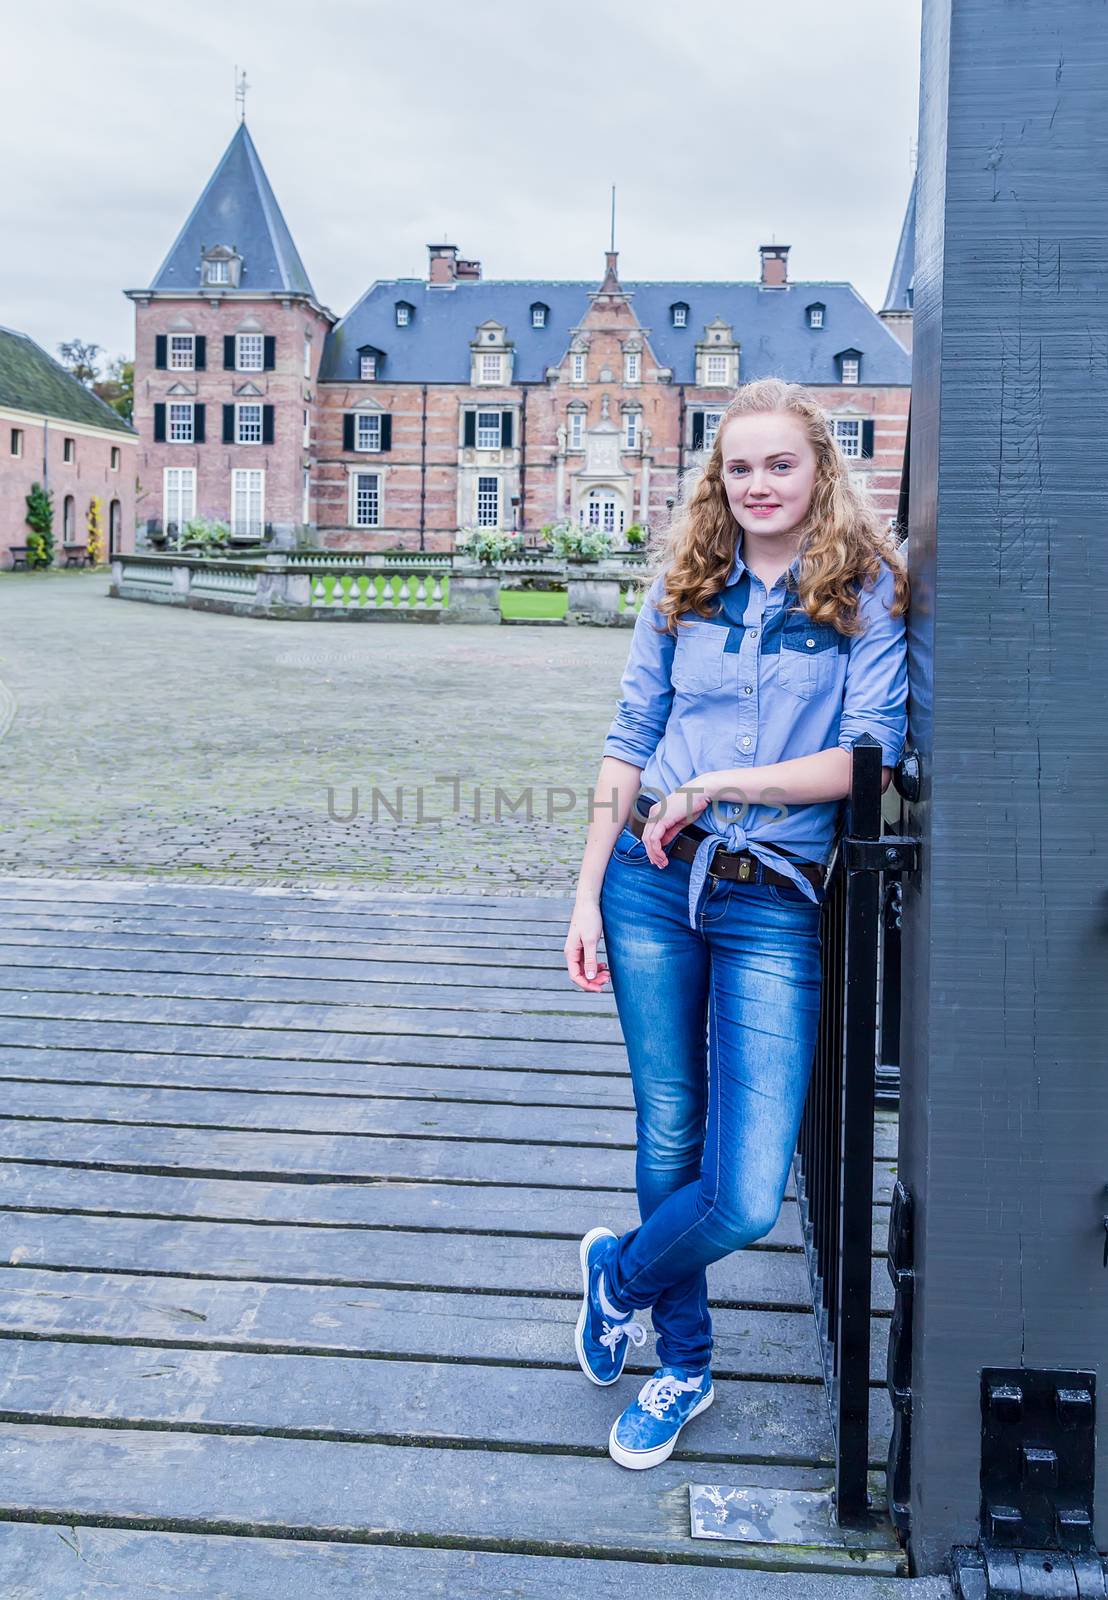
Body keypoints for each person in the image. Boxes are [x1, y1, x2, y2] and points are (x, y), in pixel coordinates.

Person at [563, 377, 910, 1470]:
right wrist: (581, 891)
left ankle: (618, 1273)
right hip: (648, 879)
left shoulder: (869, 590)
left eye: (780, 464)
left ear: (821, 472)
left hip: (769, 895)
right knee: (669, 1127)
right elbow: (629, 742)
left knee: (750, 1189)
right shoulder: (681, 583)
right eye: (738, 466)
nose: (757, 484)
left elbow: (868, 759)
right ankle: (684, 1363)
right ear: (718, 478)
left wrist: (726, 783)